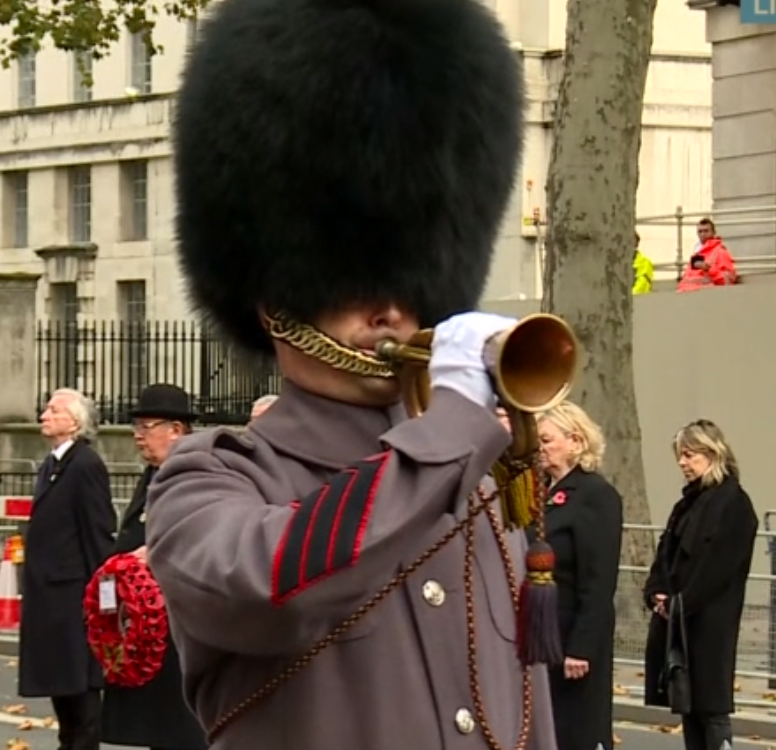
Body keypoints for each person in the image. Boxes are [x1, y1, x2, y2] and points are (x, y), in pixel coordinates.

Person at [144, 0, 554, 747]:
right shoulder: (211, 480)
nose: (391, 309)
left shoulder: (476, 485)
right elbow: (278, 584)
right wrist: (453, 428)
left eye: (410, 282)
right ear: (276, 303)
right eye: (353, 282)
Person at [101, 383, 208, 750]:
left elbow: (203, 535)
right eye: (136, 427)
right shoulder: (153, 473)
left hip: (180, 621)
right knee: (159, 732)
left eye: (146, 427)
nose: (137, 435)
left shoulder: (196, 473)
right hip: (146, 621)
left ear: (176, 430)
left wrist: (154, 552)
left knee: (181, 730)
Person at [642, 419, 758, 750]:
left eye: (690, 455)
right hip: (679, 618)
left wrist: (681, 602)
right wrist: (656, 593)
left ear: (712, 453)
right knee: (687, 703)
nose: (683, 463)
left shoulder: (733, 503)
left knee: (711, 706)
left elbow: (718, 568)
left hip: (710, 620)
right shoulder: (687, 503)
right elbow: (666, 553)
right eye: (680, 455)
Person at [19, 388, 115, 750]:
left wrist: (105, 596)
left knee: (80, 691)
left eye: (53, 410)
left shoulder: (86, 465)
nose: (44, 416)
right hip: (51, 597)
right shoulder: (51, 464)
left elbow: (96, 531)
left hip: (74, 596)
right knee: (61, 688)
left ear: (74, 422)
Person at [535, 402, 623, 750]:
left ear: (575, 441)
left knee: (576, 731)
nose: (539, 448)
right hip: (540, 633)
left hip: (572, 635)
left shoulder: (595, 495)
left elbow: (598, 579)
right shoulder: (539, 492)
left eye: (546, 440)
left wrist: (581, 647)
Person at [675, 218, 737, 292]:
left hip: (707, 295)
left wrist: (709, 269)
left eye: (706, 231)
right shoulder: (697, 253)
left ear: (713, 233)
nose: (703, 234)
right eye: (700, 231)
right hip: (690, 294)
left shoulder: (720, 252)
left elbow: (728, 280)